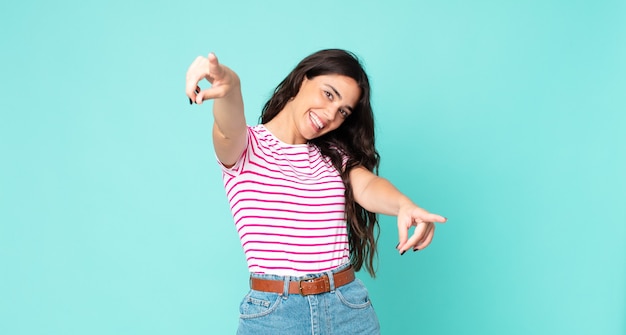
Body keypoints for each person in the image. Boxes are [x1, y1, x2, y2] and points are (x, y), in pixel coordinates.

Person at [185, 49, 447, 335]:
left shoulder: (333, 155)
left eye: (343, 111)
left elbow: (368, 185)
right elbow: (227, 128)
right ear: (302, 79)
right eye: (329, 94)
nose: (330, 115)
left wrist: (403, 205)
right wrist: (230, 86)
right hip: (274, 316)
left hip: (347, 308)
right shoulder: (247, 147)